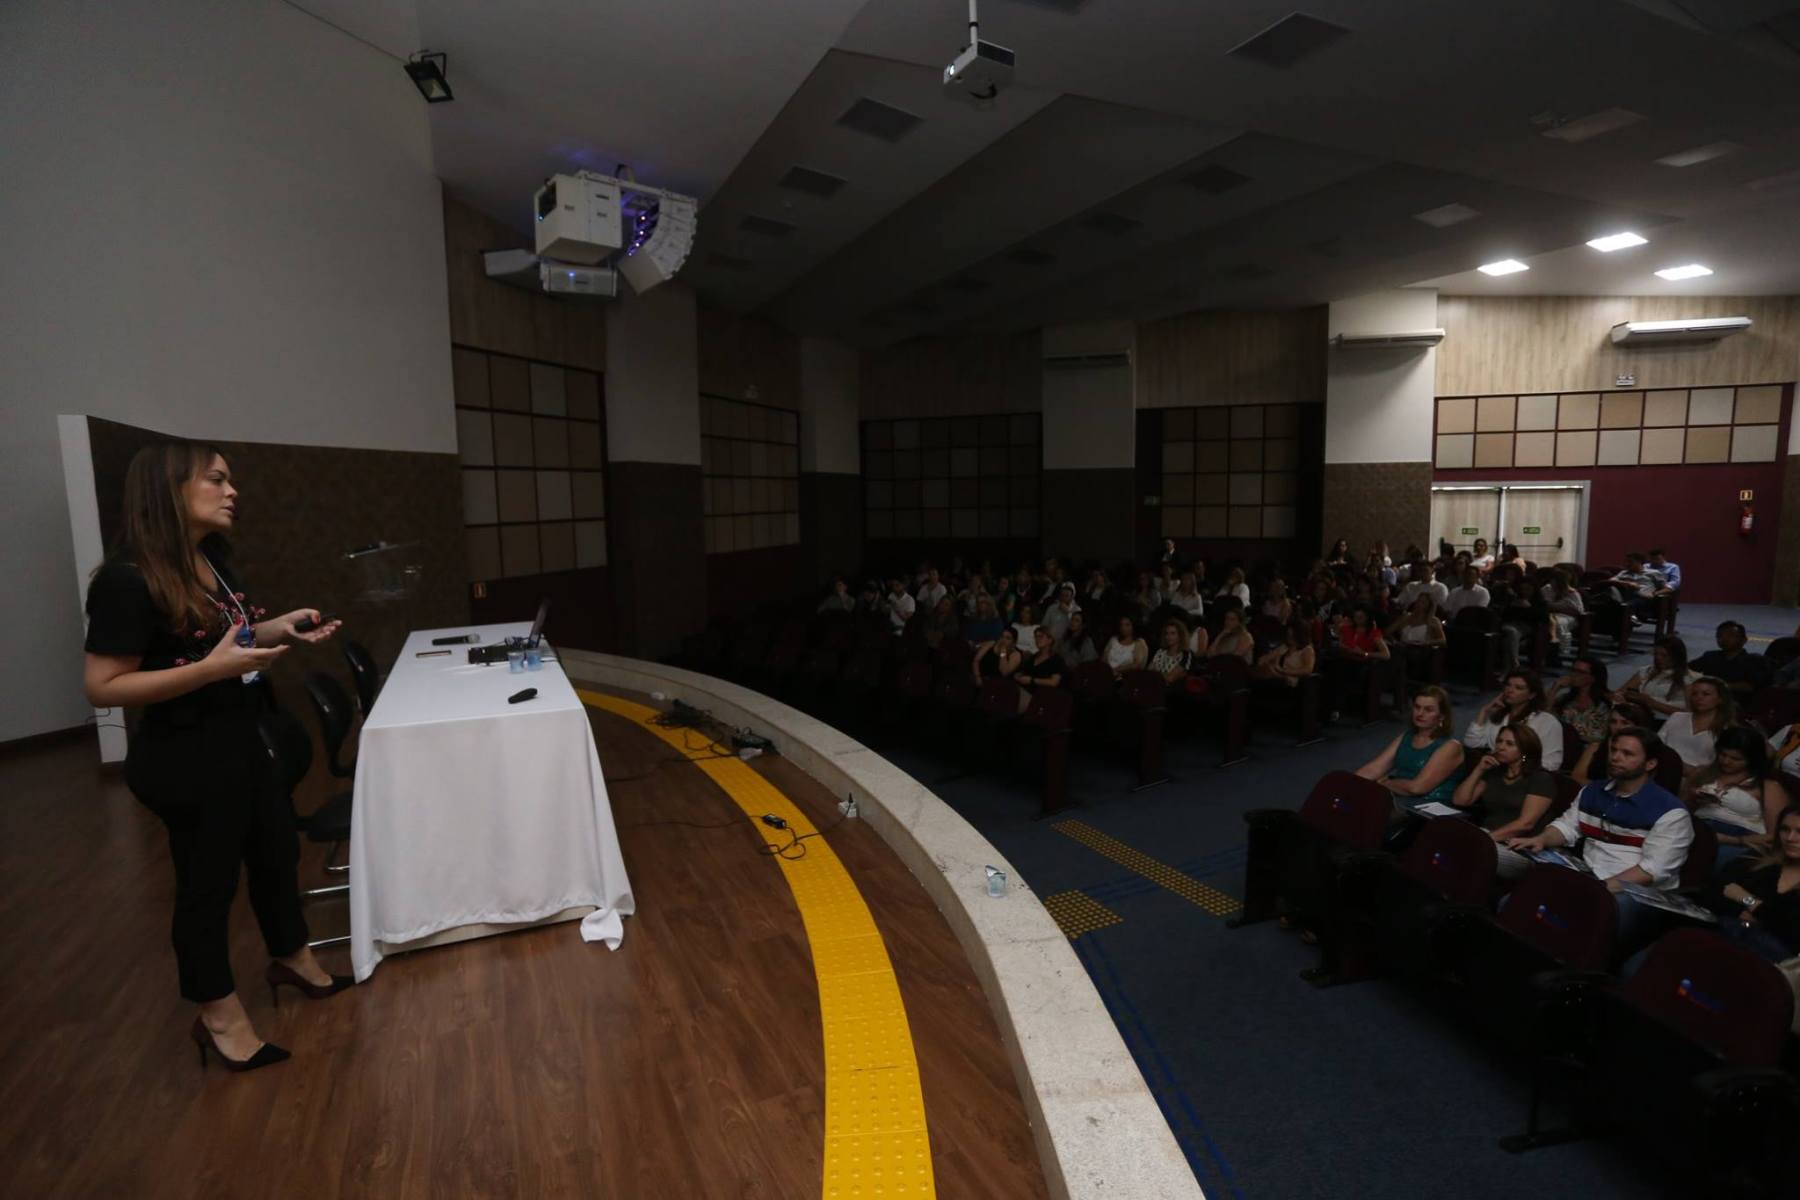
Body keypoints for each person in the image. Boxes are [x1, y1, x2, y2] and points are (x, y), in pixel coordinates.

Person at [82, 440, 349, 1072]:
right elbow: (103, 686)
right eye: (216, 480)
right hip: (185, 756)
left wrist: (277, 628)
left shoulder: (211, 560)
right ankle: (218, 1016)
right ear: (168, 489)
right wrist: (211, 670)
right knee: (209, 886)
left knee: (277, 853)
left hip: (244, 738)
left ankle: (292, 957)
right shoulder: (125, 580)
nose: (233, 492)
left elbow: (222, 640)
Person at [1506, 729, 1694, 954]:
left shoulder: (1670, 812)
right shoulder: (1592, 791)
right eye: (1613, 750)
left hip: (1636, 892)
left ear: (1650, 764)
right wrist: (1542, 839)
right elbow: (1567, 827)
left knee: (1577, 925)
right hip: (1589, 874)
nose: (1615, 757)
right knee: (1515, 903)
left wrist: (1594, 889)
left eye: (1627, 753)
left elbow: (1650, 871)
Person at [1699, 804, 1800, 964]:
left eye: (1799, 832)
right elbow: (1711, 891)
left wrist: (1749, 900)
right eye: (1785, 829)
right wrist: (1739, 911)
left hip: (1772, 960)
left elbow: (1793, 933)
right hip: (1724, 933)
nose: (1790, 838)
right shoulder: (1758, 857)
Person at [1682, 727, 1790, 867]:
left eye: (1736, 759)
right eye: (1723, 754)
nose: (1726, 761)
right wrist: (1693, 799)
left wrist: (1733, 840)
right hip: (1698, 827)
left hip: (1742, 838)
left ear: (1752, 760)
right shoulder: (1703, 773)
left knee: (1716, 857)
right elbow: (1680, 810)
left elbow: (1777, 834)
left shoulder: (1768, 787)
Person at [1356, 686, 1466, 812]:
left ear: (1442, 716)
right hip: (1399, 798)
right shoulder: (1407, 736)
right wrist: (1349, 783)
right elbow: (1374, 768)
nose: (1420, 713)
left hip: (1429, 808)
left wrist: (1385, 783)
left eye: (1428, 710)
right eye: (1417, 707)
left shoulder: (1451, 747)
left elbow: (1417, 788)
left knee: (1367, 811)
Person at [1453, 724, 1557, 841]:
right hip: (1489, 833)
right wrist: (1479, 770)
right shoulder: (1494, 772)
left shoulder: (1540, 779)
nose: (1501, 747)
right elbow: (1460, 801)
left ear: (1525, 750)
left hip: (1519, 841)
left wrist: (1484, 840)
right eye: (1499, 741)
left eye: (1509, 744)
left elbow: (1525, 824)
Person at [1463, 669, 1565, 771]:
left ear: (1532, 695)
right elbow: (1471, 743)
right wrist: (1484, 711)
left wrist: (1519, 760)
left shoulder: (1547, 722)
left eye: (1518, 688)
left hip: (1527, 774)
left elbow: (1551, 763)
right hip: (1495, 769)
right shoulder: (1500, 715)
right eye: (1508, 685)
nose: (1509, 690)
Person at [1659, 676, 1735, 774]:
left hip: (1700, 777)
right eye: (1694, 694)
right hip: (1664, 768)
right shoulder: (1677, 717)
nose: (1699, 698)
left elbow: (1724, 762)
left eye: (1706, 694)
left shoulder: (1727, 729)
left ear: (1720, 699)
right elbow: (1657, 744)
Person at [1571, 700, 1655, 785]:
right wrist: (1603, 789)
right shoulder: (1594, 747)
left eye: (1625, 723)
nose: (1617, 727)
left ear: (1637, 726)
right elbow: (1576, 776)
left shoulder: (1644, 751)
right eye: (1613, 722)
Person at [1691, 621, 1772, 702]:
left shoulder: (1755, 660)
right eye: (1719, 636)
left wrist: (1721, 686)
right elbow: (1688, 668)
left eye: (1730, 635)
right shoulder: (1710, 656)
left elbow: (1752, 686)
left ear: (1744, 640)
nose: (1724, 639)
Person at [1616, 636, 1694, 720]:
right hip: (1642, 717)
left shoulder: (1688, 679)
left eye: (1664, 655)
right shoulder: (1646, 671)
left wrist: (1652, 703)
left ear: (1676, 657)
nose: (1658, 658)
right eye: (1656, 654)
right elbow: (1621, 692)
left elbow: (1690, 713)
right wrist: (1623, 697)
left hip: (1668, 720)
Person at [1548, 655, 1612, 746]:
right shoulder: (1565, 699)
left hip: (1590, 749)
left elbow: (1600, 737)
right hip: (1562, 746)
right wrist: (1555, 687)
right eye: (1573, 670)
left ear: (1593, 677)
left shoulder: (1603, 704)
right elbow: (1546, 716)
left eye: (1581, 672)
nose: (1574, 675)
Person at [1495, 575, 1551, 669]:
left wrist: (1529, 608)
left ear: (1534, 590)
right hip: (1510, 625)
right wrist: (1512, 607)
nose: (1524, 592)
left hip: (1527, 627)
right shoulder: (1514, 599)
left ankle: (1509, 668)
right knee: (1510, 633)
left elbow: (1544, 618)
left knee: (1508, 638)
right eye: (1522, 589)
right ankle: (1514, 664)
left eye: (1528, 589)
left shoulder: (1540, 602)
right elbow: (1505, 616)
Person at [1013, 627, 1065, 713]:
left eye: (1040, 636)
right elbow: (1023, 672)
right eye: (1036, 637)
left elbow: (1054, 682)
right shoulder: (1034, 657)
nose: (1037, 639)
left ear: (1050, 640)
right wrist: (1018, 675)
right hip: (1026, 691)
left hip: (1041, 697)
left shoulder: (1056, 660)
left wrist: (1032, 680)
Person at [1252, 620, 1316, 687]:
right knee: (1265, 669)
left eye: (1292, 637)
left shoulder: (1307, 649)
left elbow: (1308, 670)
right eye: (1288, 636)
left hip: (1291, 681)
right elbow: (1261, 661)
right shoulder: (1285, 647)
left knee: (1268, 673)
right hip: (1278, 677)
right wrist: (1275, 656)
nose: (1289, 639)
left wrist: (1283, 671)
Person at [1540, 568, 1586, 656]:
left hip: (1567, 616)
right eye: (1552, 580)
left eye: (1555, 580)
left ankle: (1558, 650)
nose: (1552, 582)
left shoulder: (1573, 593)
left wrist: (1555, 607)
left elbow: (1579, 610)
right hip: (1548, 614)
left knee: (1559, 624)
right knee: (1544, 622)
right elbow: (1541, 602)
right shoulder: (1546, 589)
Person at [1606, 552, 1663, 621]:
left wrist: (1655, 594)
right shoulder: (1624, 572)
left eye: (1630, 562)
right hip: (1625, 597)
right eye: (1626, 561)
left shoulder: (1654, 573)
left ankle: (1630, 618)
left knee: (1627, 606)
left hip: (1644, 598)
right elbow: (1610, 581)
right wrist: (1628, 583)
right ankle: (1631, 618)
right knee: (1610, 595)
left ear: (1639, 562)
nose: (1627, 564)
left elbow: (1665, 588)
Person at [1149, 620, 1193, 686]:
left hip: (1171, 689)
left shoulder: (1186, 654)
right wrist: (1162, 675)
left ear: (1180, 635)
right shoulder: (1160, 652)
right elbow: (1148, 671)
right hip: (1154, 685)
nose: (1168, 637)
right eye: (1167, 633)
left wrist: (1156, 673)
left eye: (1173, 633)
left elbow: (1170, 678)